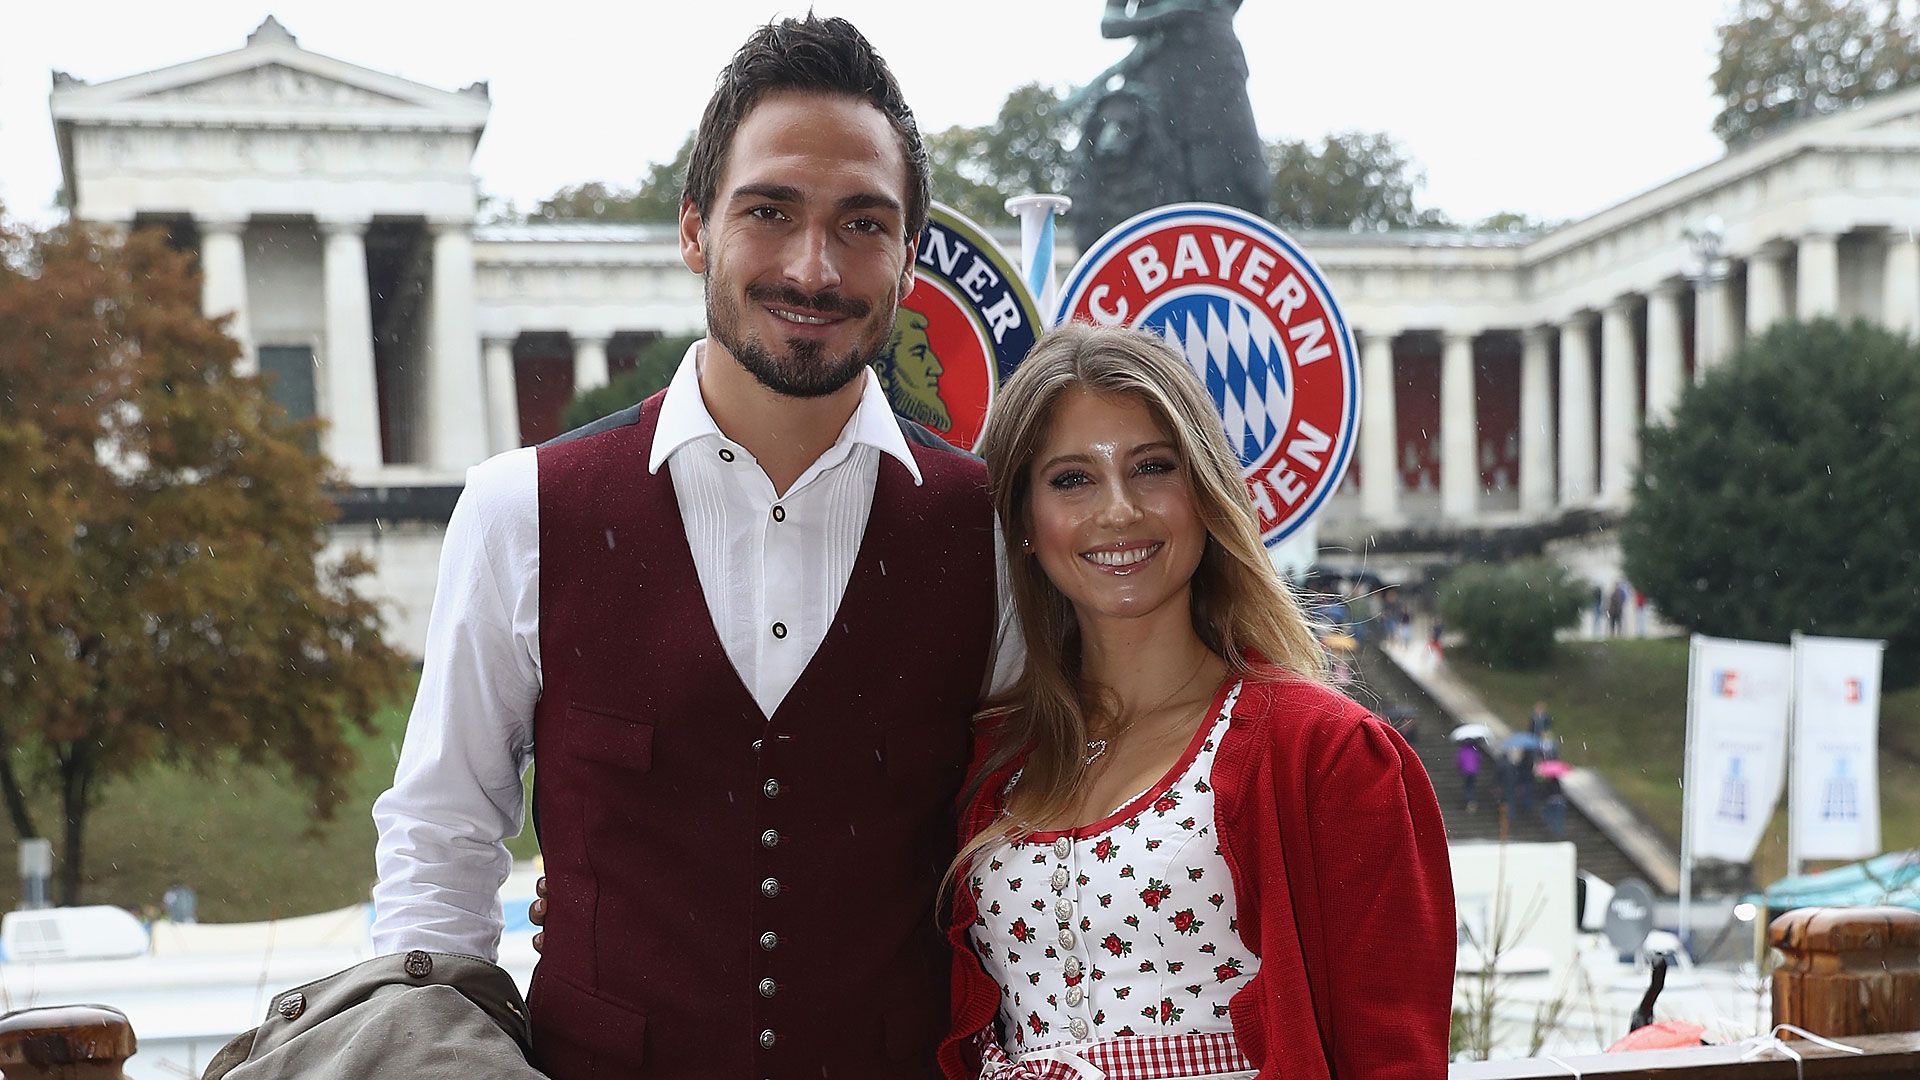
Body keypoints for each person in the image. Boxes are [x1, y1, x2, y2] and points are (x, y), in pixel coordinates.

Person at [370, 17, 1019, 1079]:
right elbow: (441, 844)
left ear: (909, 259)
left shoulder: (987, 531)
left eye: (862, 223)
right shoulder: (517, 510)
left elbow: (1040, 842)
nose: (813, 267)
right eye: (770, 211)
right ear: (693, 229)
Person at [938, 325, 1453, 1080]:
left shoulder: (1325, 752)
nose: (1119, 511)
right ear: (1021, 522)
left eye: (1152, 468)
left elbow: (1393, 1058)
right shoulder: (992, 758)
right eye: (1072, 479)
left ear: (1206, 495)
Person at [1457, 738, 1482, 812]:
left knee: (1467, 786)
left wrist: (1460, 769)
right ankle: (1472, 801)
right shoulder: (1474, 750)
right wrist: (1477, 767)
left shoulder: (1462, 750)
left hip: (1465, 772)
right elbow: (1479, 759)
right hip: (1473, 771)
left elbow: (1459, 761)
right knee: (1472, 786)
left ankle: (1469, 801)